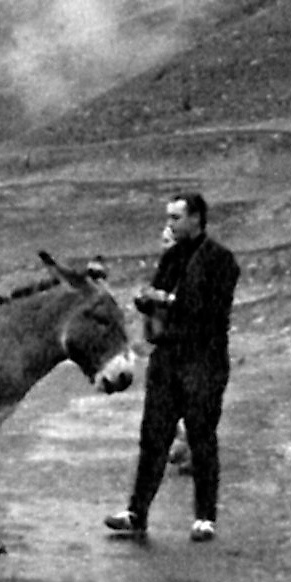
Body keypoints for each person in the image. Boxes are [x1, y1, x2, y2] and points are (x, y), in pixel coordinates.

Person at [105, 192, 240, 542]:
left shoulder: (221, 260)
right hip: (167, 358)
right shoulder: (171, 257)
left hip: (203, 359)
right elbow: (157, 296)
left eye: (176, 217)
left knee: (201, 436)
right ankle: (137, 512)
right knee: (154, 437)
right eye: (168, 217)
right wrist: (146, 301)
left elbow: (213, 311)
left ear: (196, 218)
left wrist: (168, 301)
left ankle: (205, 517)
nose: (169, 224)